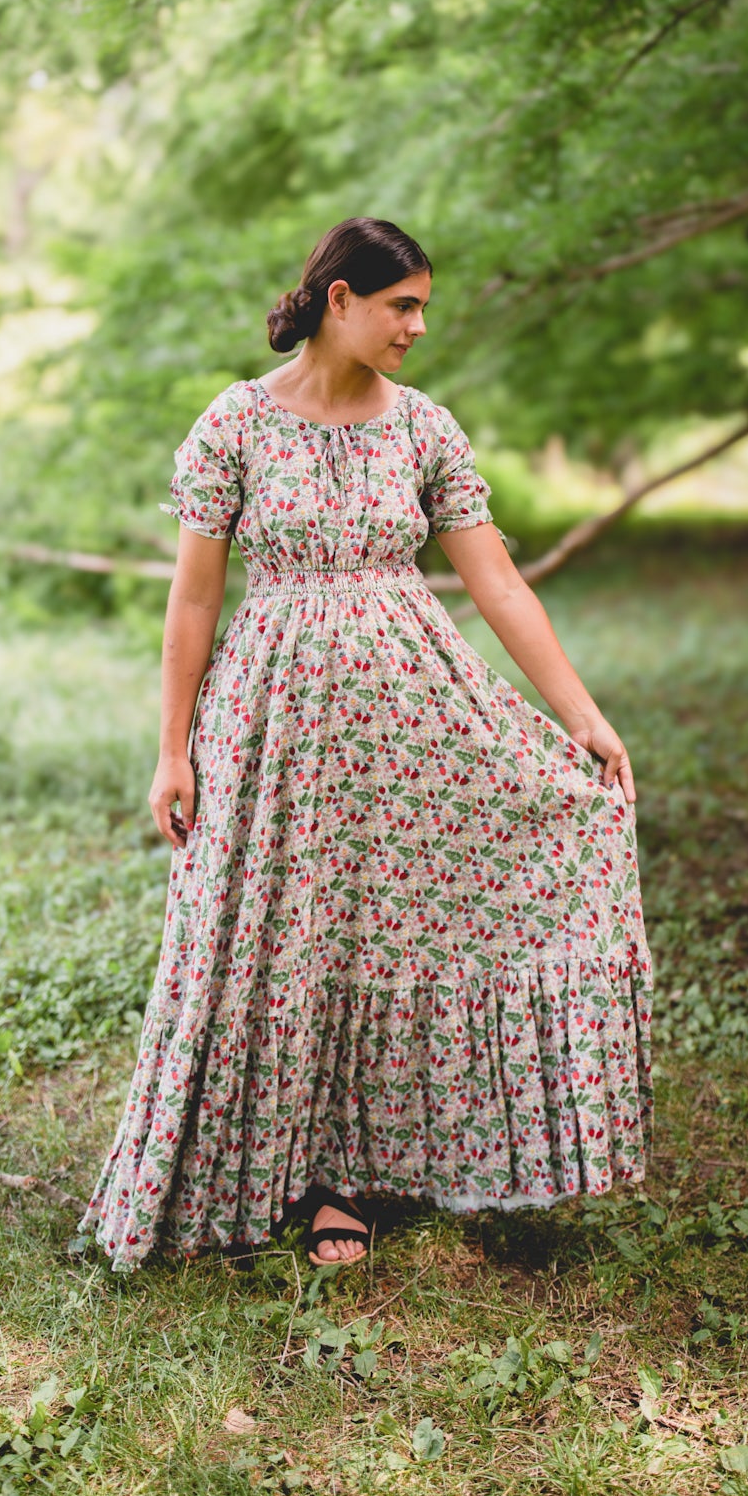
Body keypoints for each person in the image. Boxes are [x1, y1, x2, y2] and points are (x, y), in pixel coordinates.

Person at [82, 217, 652, 1270]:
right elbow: (195, 596)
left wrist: (580, 712)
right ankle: (267, 1164)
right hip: (271, 730)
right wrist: (173, 747)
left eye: (424, 306)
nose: (418, 326)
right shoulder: (236, 425)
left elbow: (498, 581)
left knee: (388, 937)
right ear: (339, 298)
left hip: (409, 726)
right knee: (273, 941)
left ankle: (362, 1172)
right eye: (403, 305)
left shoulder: (426, 428)